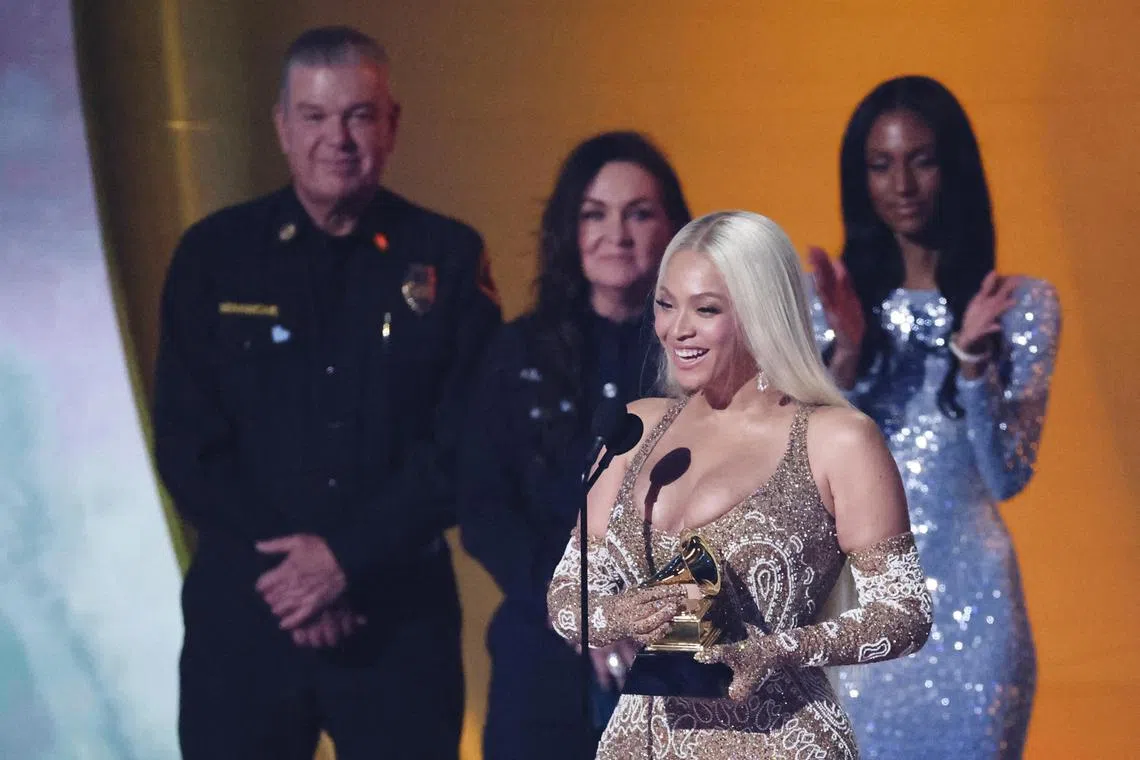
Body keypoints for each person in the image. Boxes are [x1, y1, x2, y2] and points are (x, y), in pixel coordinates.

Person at [153, 26, 501, 760]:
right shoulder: (213, 256)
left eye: (358, 115)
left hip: (397, 623)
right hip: (246, 622)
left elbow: (467, 443)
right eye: (314, 116)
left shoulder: (446, 256)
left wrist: (345, 559)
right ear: (282, 126)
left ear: (392, 124)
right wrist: (297, 577)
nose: (336, 138)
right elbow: (189, 446)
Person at [547, 210, 933, 758]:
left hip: (782, 741)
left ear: (760, 313)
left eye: (706, 309)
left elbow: (906, 611)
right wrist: (617, 615)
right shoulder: (633, 430)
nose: (676, 328)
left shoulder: (838, 439)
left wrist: (779, 649)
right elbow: (567, 596)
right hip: (642, 743)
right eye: (665, 303)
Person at [808, 75, 1061, 758]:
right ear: (859, 177)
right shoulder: (827, 304)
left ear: (954, 165)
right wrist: (849, 353)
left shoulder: (1020, 306)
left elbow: (1007, 476)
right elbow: (805, 474)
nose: (903, 184)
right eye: (881, 164)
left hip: (976, 619)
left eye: (922, 159)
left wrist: (974, 363)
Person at [458, 132, 692, 759]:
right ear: (570, 228)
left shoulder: (715, 358)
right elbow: (483, 508)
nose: (617, 234)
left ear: (674, 230)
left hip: (682, 654)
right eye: (595, 213)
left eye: (639, 213)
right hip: (544, 656)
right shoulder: (517, 353)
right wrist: (577, 609)